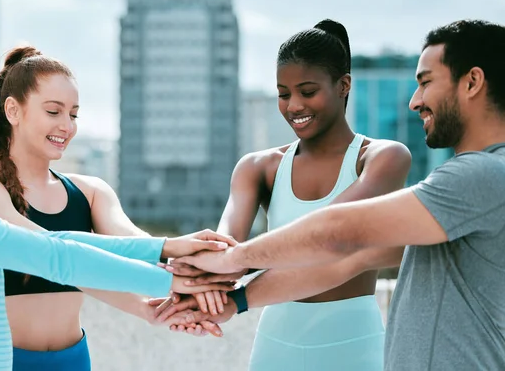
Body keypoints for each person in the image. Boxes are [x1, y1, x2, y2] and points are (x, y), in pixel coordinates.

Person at [172, 20, 505, 371]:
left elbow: (337, 233)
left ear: (472, 82)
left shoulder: (481, 175)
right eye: (284, 94)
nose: (414, 101)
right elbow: (348, 261)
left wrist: (233, 260)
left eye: (425, 82)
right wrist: (233, 300)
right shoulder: (463, 188)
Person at [0, 61, 234, 370]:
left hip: (72, 355)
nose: (67, 125)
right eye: (53, 111)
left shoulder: (86, 190)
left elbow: (91, 247)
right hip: (12, 357)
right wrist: (178, 276)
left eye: (74, 114)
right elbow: (55, 254)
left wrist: (166, 274)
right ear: (12, 111)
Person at [157, 19, 410, 370]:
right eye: (283, 93)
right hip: (275, 345)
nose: (293, 106)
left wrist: (225, 264)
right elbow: (227, 251)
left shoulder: (383, 158)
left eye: (308, 91)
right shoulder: (258, 167)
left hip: (354, 344)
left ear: (343, 85)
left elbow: (326, 231)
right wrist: (195, 274)